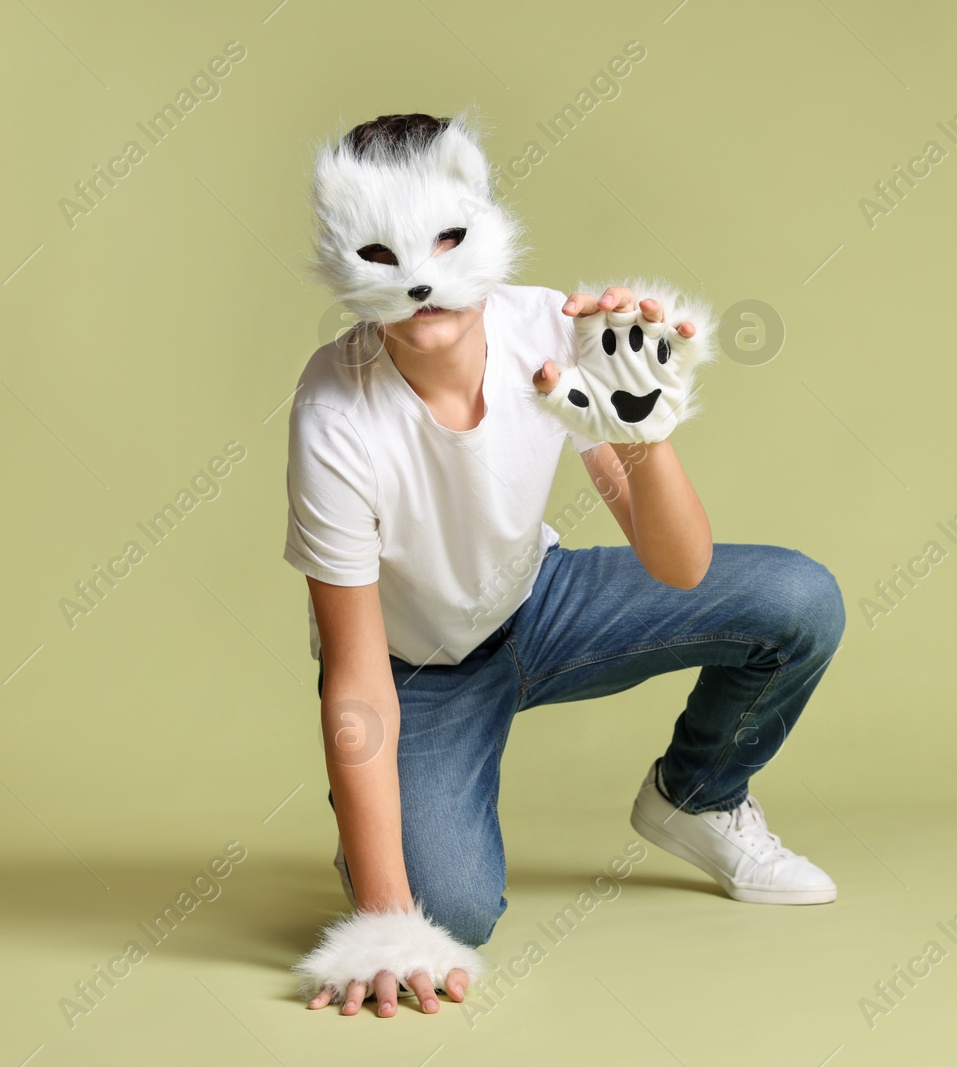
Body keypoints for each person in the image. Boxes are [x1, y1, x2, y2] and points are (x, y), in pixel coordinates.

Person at [286, 110, 846, 1019]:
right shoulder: (334, 409)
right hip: (414, 671)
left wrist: (645, 440)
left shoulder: (544, 327)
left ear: (484, 221)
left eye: (446, 239)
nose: (422, 279)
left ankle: (697, 799)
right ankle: (376, 849)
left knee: (798, 599)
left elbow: (681, 566)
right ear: (341, 250)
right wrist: (388, 920)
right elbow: (352, 677)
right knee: (452, 914)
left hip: (540, 603)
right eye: (385, 255)